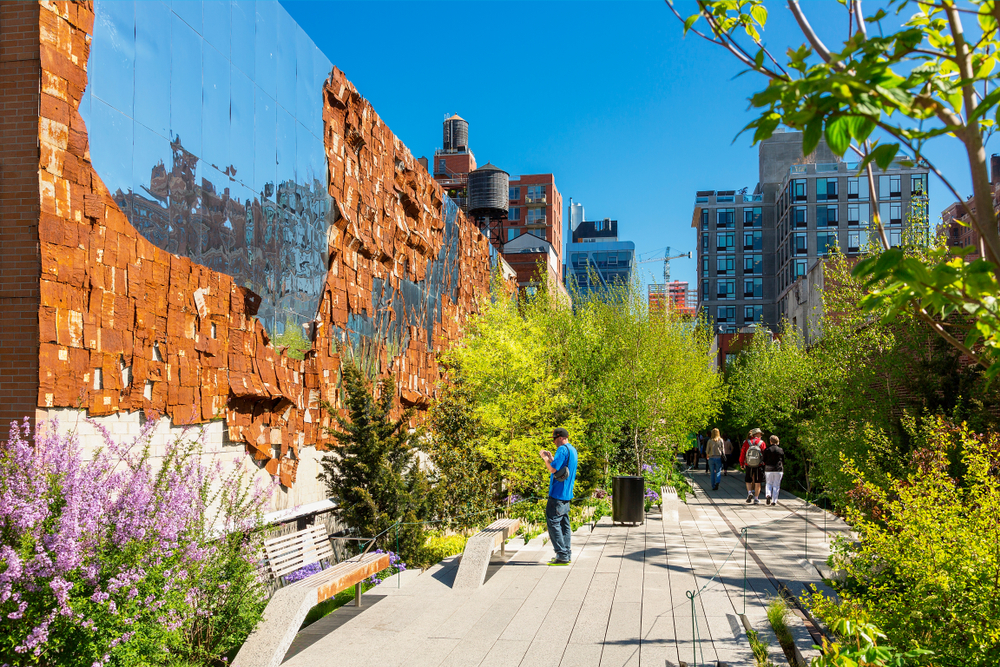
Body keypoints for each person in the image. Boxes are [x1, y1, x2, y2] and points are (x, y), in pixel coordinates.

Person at [539, 427, 578, 566]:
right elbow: (562, 466)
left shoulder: (562, 449)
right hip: (567, 493)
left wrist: (545, 459)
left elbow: (553, 469)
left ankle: (561, 555)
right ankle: (566, 553)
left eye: (555, 439)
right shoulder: (572, 450)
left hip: (557, 493)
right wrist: (552, 458)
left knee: (553, 522)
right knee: (564, 523)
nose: (554, 442)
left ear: (561, 437)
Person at [739, 428, 767, 504]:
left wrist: (741, 463)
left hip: (748, 464)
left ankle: (749, 493)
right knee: (758, 482)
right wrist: (764, 464)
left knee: (748, 480)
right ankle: (756, 498)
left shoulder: (747, 442)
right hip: (759, 465)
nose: (761, 435)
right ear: (756, 434)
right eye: (760, 434)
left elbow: (743, 453)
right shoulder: (762, 443)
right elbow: (764, 454)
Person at [763, 435, 785, 506]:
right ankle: (774, 501)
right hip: (778, 469)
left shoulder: (767, 450)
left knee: (768, 483)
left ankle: (768, 495)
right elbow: (783, 460)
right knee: (776, 485)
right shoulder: (780, 450)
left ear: (770, 441)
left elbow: (764, 460)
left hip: (768, 469)